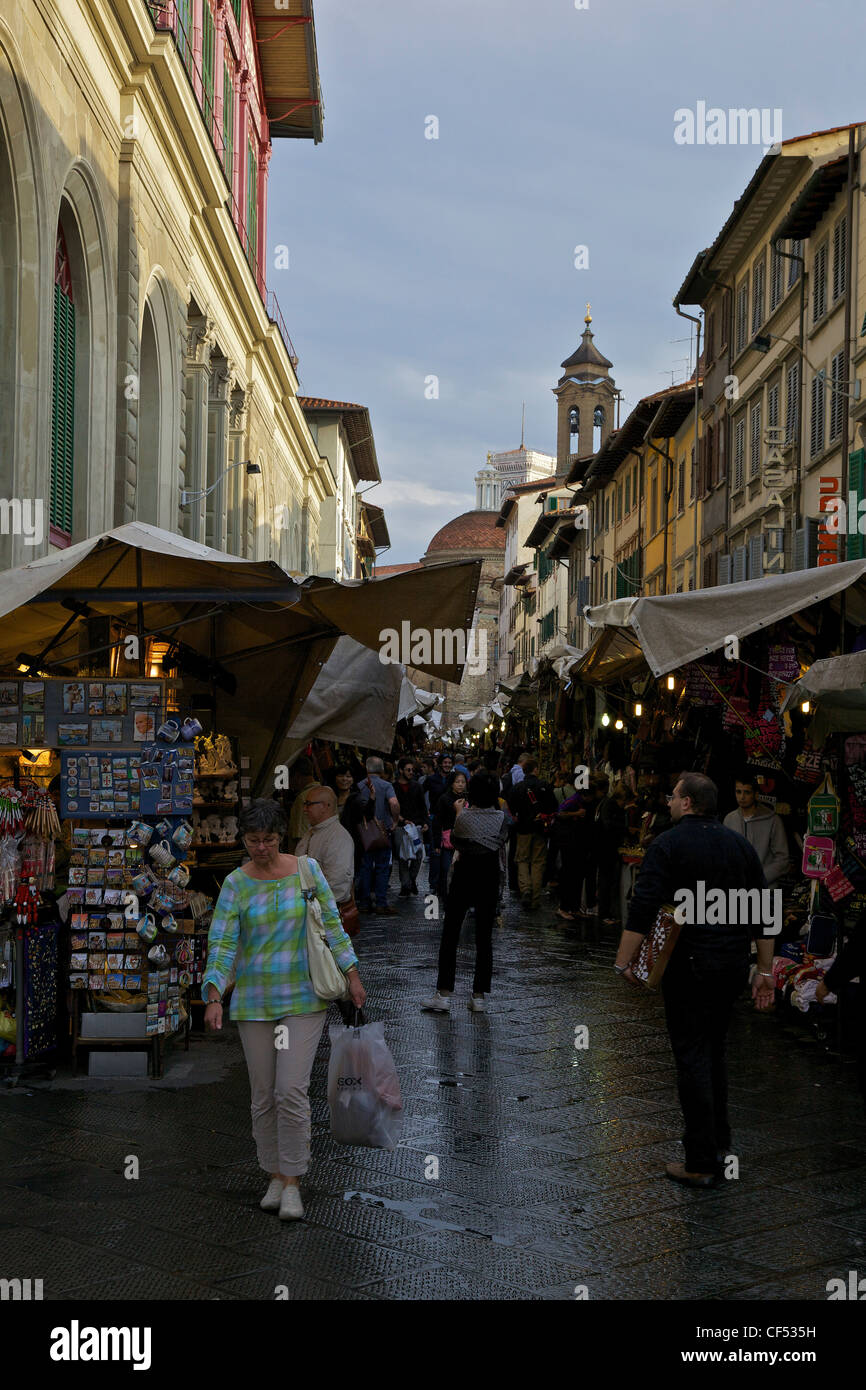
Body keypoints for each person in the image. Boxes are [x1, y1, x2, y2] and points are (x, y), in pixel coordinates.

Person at [202, 799, 365, 1221]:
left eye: (269, 839)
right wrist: (214, 993)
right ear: (244, 840)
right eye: (253, 840)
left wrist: (352, 974)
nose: (261, 848)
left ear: (281, 837)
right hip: (254, 1002)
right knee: (262, 1097)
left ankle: (293, 1181)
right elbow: (222, 944)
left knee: (290, 1089)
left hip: (302, 998)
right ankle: (273, 1173)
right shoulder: (235, 884)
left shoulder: (307, 871)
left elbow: (332, 925)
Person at [614, 772, 775, 1188]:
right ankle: (718, 1143)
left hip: (689, 964)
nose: (668, 801)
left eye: (673, 796)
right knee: (715, 1049)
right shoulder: (739, 845)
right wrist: (767, 972)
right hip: (731, 965)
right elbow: (764, 913)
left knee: (691, 1054)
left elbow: (643, 906)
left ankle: (701, 1159)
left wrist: (623, 963)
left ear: (687, 803)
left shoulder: (667, 843)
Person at [421, 772, 508, 1014]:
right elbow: (501, 840)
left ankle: (444, 993)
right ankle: (479, 995)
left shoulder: (465, 816)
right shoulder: (500, 817)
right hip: (489, 876)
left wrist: (460, 814)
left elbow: (457, 841)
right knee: (484, 936)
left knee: (451, 933)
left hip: (465, 875)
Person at [296, 784, 361, 1027]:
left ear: (326, 807)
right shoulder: (313, 833)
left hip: (326, 917)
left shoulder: (338, 837)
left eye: (309, 804)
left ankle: (353, 1017)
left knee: (334, 970)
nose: (304, 809)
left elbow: (338, 885)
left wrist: (312, 903)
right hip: (311, 915)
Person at [723, 773, 791, 884]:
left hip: (766, 890)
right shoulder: (729, 819)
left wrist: (760, 878)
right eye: (738, 792)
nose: (742, 797)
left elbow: (783, 859)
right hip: (736, 890)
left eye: (747, 792)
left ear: (756, 794)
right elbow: (725, 855)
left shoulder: (773, 820)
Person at [508, 758, 557, 911]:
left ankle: (526, 889)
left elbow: (511, 808)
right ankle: (535, 899)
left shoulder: (517, 788)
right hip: (540, 829)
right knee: (538, 862)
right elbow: (553, 806)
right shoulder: (544, 786)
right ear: (536, 769)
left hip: (523, 829)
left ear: (524, 770)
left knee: (522, 860)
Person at [356, 756, 401, 916]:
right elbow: (394, 804)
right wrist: (395, 821)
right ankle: (381, 903)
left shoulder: (360, 785)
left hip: (365, 832)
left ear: (366, 768)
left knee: (366, 867)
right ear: (382, 770)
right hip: (383, 831)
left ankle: (364, 902)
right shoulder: (387, 785)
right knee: (382, 867)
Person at [394, 756, 428, 896]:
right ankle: (406, 885)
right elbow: (392, 808)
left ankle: (411, 880)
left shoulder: (417, 786)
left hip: (416, 826)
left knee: (418, 855)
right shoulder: (393, 787)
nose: (411, 772)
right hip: (401, 827)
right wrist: (401, 820)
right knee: (402, 857)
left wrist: (425, 822)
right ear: (401, 770)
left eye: (412, 770)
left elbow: (422, 806)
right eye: (408, 770)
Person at [596, 783, 627, 926]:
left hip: (606, 847)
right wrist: (625, 829)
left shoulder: (608, 804)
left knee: (606, 881)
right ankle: (604, 914)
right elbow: (608, 824)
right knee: (606, 881)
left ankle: (606, 912)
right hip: (605, 848)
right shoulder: (610, 806)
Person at [435, 770, 468, 898]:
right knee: (446, 868)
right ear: (452, 783)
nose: (460, 784)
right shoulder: (444, 799)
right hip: (449, 839)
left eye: (463, 782)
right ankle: (445, 894)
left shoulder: (468, 798)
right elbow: (438, 821)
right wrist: (437, 842)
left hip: (465, 839)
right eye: (457, 782)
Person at [285, 755, 321, 852]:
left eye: (288, 778)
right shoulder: (326, 793)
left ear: (297, 776)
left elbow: (300, 837)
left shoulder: (303, 799)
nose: (289, 784)